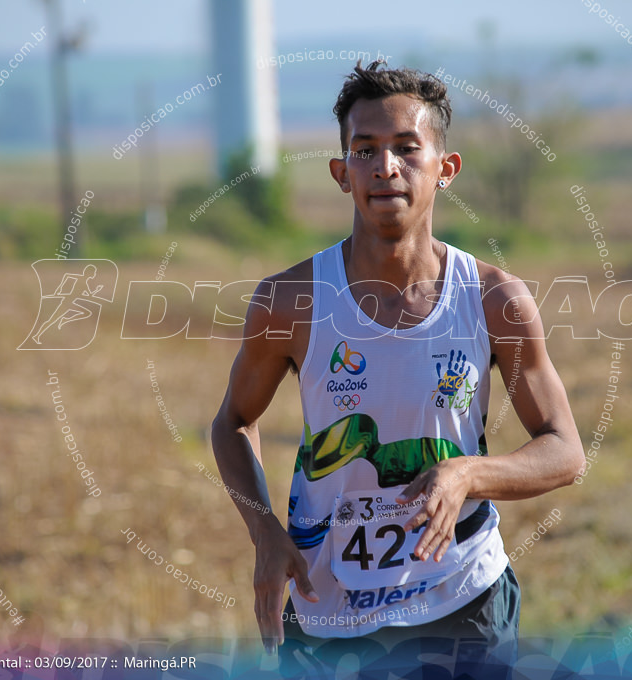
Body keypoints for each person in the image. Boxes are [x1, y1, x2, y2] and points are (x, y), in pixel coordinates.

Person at [211, 60, 584, 678]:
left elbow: (565, 450)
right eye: (365, 151)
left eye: (407, 149)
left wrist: (467, 474)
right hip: (326, 604)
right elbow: (232, 424)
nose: (386, 168)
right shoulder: (289, 301)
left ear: (446, 168)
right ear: (341, 173)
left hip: (463, 596)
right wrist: (264, 532)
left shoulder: (494, 299)